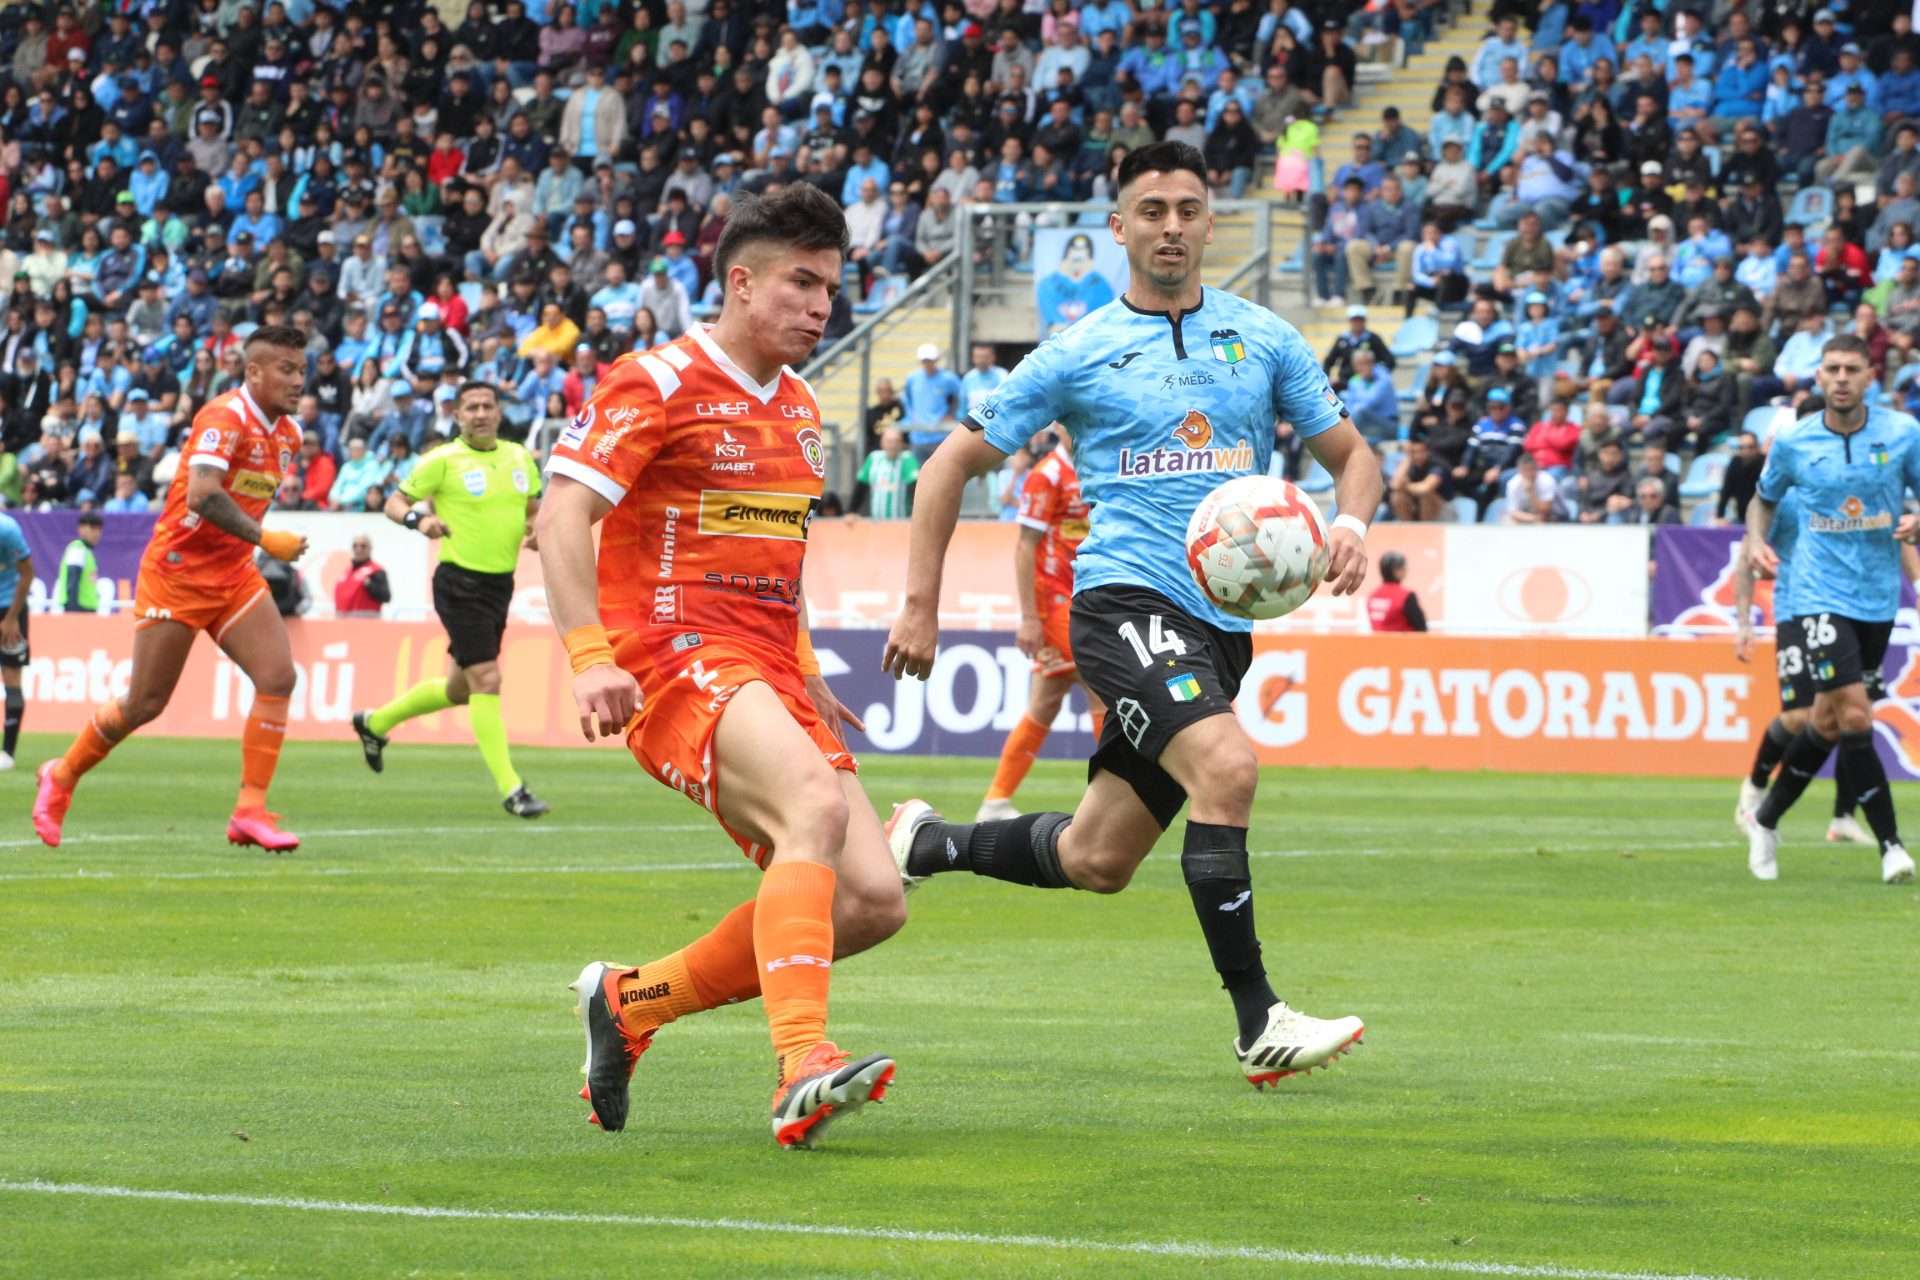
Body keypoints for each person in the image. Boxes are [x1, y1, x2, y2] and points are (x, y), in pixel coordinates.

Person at [882, 142, 1379, 1086]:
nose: (1171, 227)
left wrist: (1349, 524)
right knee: (1227, 768)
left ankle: (927, 841)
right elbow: (946, 465)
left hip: (1219, 631)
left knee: (1097, 857)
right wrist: (920, 606)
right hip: (1123, 603)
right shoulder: (1077, 352)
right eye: (1152, 211)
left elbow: (1353, 455)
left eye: (1188, 209)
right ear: (1119, 227)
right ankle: (1260, 1020)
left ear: (1210, 224)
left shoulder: (1264, 339)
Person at [537, 184, 905, 1147]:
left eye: (830, 288)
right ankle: (802, 1063)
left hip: (767, 663)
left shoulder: (802, 405)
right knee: (813, 809)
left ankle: (632, 1001)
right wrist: (588, 657)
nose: (821, 307)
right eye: (801, 283)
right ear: (741, 283)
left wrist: (807, 665)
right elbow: (562, 513)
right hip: (671, 652)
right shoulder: (656, 381)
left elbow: (780, 550)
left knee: (872, 901)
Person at [33, 327, 312, 851]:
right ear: (253, 371)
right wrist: (265, 538)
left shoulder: (289, 435)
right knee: (145, 703)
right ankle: (61, 775)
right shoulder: (224, 418)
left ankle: (250, 811)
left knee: (278, 677)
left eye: (302, 370)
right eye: (287, 369)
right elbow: (203, 495)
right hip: (178, 573)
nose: (299, 380)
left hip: (232, 574)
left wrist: (252, 544)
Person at [1742, 335, 1920, 885]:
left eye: (1851, 369)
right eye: (1833, 369)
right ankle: (1892, 847)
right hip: (1816, 595)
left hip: (1877, 596)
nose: (1841, 378)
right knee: (1856, 715)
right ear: (1818, 376)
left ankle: (1765, 819)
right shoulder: (1796, 442)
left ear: (1869, 376)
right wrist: (1756, 541)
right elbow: (1762, 500)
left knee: (1824, 721)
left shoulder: (1903, 433)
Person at [352, 382, 548, 819]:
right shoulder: (442, 460)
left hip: (500, 585)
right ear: (457, 416)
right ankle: (512, 789)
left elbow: (533, 511)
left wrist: (536, 530)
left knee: (461, 689)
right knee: (487, 680)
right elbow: (394, 502)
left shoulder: (520, 458)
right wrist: (419, 521)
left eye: (487, 406)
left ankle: (374, 723)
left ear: (499, 413)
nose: (480, 413)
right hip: (459, 582)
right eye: (470, 407)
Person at [1733, 481, 1877, 849]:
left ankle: (1843, 817)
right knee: (1799, 716)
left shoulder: (1852, 487)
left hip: (1852, 612)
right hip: (1796, 612)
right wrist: (1744, 622)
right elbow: (1747, 557)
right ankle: (1755, 787)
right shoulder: (1784, 499)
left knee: (1854, 713)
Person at [977, 424, 1104, 822]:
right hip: (1055, 602)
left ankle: (995, 800)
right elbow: (1025, 546)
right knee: (1104, 689)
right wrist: (1030, 617)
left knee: (1046, 703)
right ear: (1061, 427)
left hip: (1086, 598)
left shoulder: (1095, 468)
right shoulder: (1047, 475)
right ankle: (1114, 801)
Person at [0, 511, 31, 770]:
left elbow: (28, 574)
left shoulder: (7, 530)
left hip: (9, 607)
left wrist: (11, 618)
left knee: (12, 678)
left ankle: (7, 752)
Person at [852, 426, 919, 518]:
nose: (893, 445)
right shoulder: (873, 458)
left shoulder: (907, 459)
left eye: (896, 441)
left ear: (902, 443)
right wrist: (852, 511)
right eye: (889, 441)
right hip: (877, 522)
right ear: (882, 442)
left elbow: (915, 487)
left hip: (900, 521)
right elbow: (861, 487)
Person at [333, 533, 391, 619]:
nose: (358, 549)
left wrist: (370, 585)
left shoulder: (376, 571)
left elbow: (386, 596)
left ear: (370, 548)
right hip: (343, 623)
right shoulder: (346, 572)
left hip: (366, 623)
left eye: (363, 546)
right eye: (355, 546)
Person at [1365, 550, 1426, 631]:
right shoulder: (1406, 596)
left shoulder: (1372, 596)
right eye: (1404, 567)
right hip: (1403, 639)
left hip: (1379, 639)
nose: (1406, 570)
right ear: (1396, 571)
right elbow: (1421, 627)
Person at [53, 511, 101, 613]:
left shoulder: (86, 551)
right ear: (81, 529)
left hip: (86, 609)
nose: (97, 533)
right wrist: (74, 614)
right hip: (79, 610)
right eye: (93, 528)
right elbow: (72, 581)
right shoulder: (77, 549)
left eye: (99, 529)